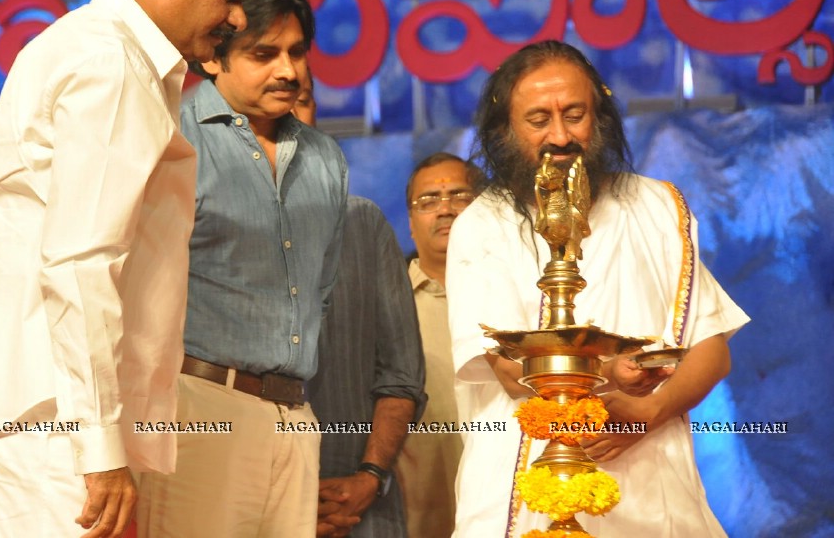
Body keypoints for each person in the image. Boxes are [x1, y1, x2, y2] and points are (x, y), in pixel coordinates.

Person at [0, 0, 266, 537]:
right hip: (53, 413)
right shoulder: (110, 62)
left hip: (43, 406)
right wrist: (99, 446)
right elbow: (81, 262)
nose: (237, 18)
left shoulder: (99, 48)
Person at [446, 40, 749, 537]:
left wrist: (648, 412)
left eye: (575, 114)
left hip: (653, 483)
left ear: (599, 117)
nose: (560, 136)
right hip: (528, 484)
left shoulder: (655, 205)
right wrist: (609, 374)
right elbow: (503, 365)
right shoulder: (484, 223)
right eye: (538, 119)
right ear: (506, 131)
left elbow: (712, 350)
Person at [135, 0, 348, 538]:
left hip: (297, 417)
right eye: (264, 53)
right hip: (199, 406)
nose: (289, 71)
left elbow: (321, 290)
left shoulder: (326, 157)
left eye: (297, 52)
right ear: (213, 57)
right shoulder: (170, 136)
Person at [294, 75, 427, 538]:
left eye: (303, 101)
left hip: (360, 502)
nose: (291, 112)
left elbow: (402, 376)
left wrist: (369, 476)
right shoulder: (204, 228)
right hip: (249, 494)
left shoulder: (362, 222)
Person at [395, 152, 483, 538]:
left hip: (506, 499)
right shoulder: (384, 304)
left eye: (460, 197)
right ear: (411, 225)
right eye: (428, 201)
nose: (445, 209)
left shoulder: (520, 298)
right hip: (414, 508)